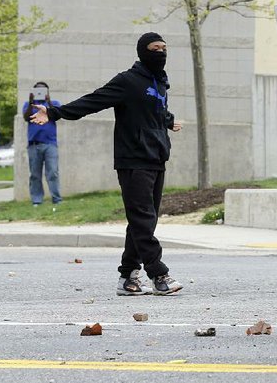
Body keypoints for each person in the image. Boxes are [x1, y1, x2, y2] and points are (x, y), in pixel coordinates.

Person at [30, 32, 183, 296]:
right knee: (143, 218)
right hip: (132, 158)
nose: (161, 52)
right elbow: (93, 100)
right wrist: (55, 112)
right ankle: (159, 274)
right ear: (142, 51)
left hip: (156, 157)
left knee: (144, 220)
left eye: (164, 48)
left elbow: (153, 111)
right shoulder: (127, 81)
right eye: (155, 48)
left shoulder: (160, 83)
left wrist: (169, 121)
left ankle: (128, 278)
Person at [22, 82, 62, 206]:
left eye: (43, 90)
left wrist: (48, 102)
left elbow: (57, 115)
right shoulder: (28, 105)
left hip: (50, 143)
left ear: (47, 92)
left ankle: (56, 199)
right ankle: (37, 200)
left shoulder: (54, 104)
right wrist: (30, 102)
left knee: (53, 172)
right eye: (37, 90)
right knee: (35, 174)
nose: (40, 92)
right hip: (34, 144)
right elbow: (26, 117)